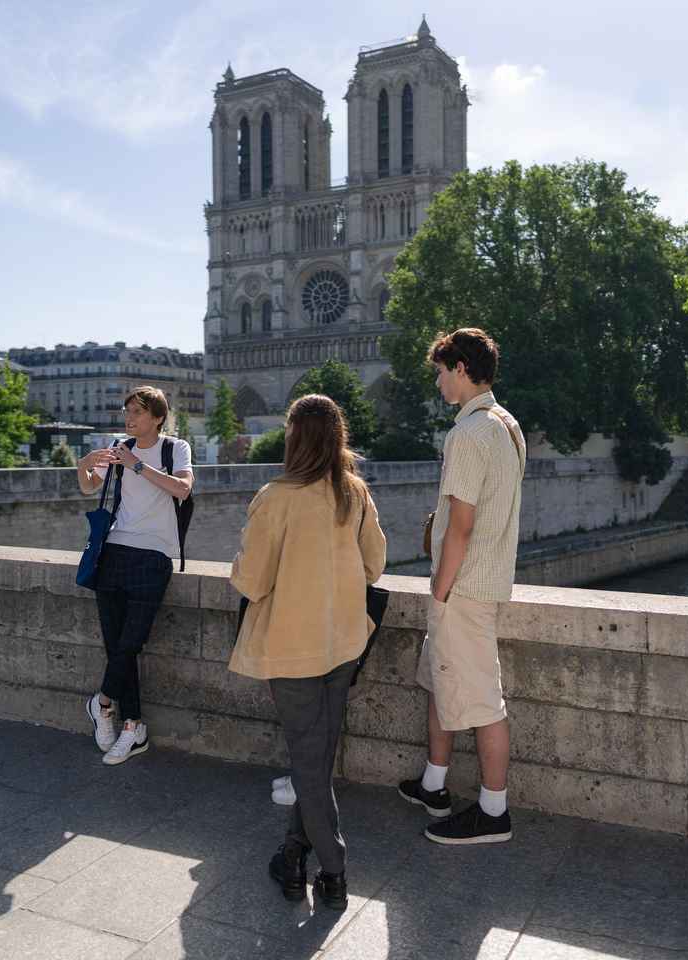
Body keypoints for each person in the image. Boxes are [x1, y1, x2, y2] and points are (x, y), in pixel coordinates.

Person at [228, 394, 387, 910]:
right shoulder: (354, 493)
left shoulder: (276, 497)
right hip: (342, 643)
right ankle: (294, 855)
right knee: (316, 759)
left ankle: (334, 869)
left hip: (293, 650)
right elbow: (375, 566)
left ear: (295, 439)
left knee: (309, 759)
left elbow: (251, 581)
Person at [397, 329, 525, 845]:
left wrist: (442, 591)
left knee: (481, 701)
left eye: (442, 370)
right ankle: (434, 784)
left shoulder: (468, 434)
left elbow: (465, 525)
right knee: (439, 681)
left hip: (464, 587)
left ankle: (494, 812)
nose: (437, 379)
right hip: (485, 578)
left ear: (463, 369)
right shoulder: (506, 424)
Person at [75, 386, 194, 765]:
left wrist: (137, 465)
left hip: (155, 554)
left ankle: (102, 702)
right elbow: (89, 487)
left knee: (132, 642)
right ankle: (132, 727)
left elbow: (183, 489)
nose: (130, 418)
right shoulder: (119, 446)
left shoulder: (175, 449)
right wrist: (86, 464)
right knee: (117, 647)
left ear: (158, 417)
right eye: (128, 411)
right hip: (114, 550)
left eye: (139, 412)